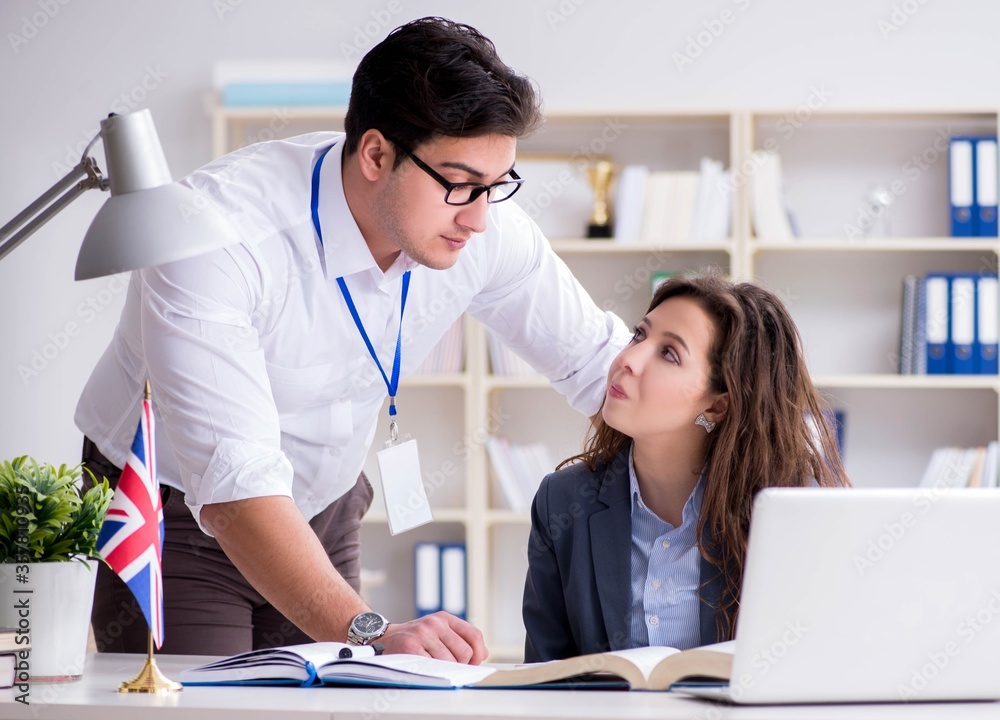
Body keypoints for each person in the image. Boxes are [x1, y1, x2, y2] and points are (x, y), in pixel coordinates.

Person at [76, 16, 629, 663]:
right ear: (375, 155)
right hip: (170, 513)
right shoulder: (218, 236)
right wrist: (371, 629)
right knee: (209, 709)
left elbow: (601, 365)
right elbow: (234, 489)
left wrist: (734, 442)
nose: (481, 217)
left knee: (337, 699)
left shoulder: (480, 224)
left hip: (326, 501)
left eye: (496, 186)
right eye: (460, 184)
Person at [521, 271, 849, 662]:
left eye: (669, 353)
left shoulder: (789, 511)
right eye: (639, 335)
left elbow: (813, 671)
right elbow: (544, 684)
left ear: (716, 404)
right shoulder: (561, 503)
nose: (627, 360)